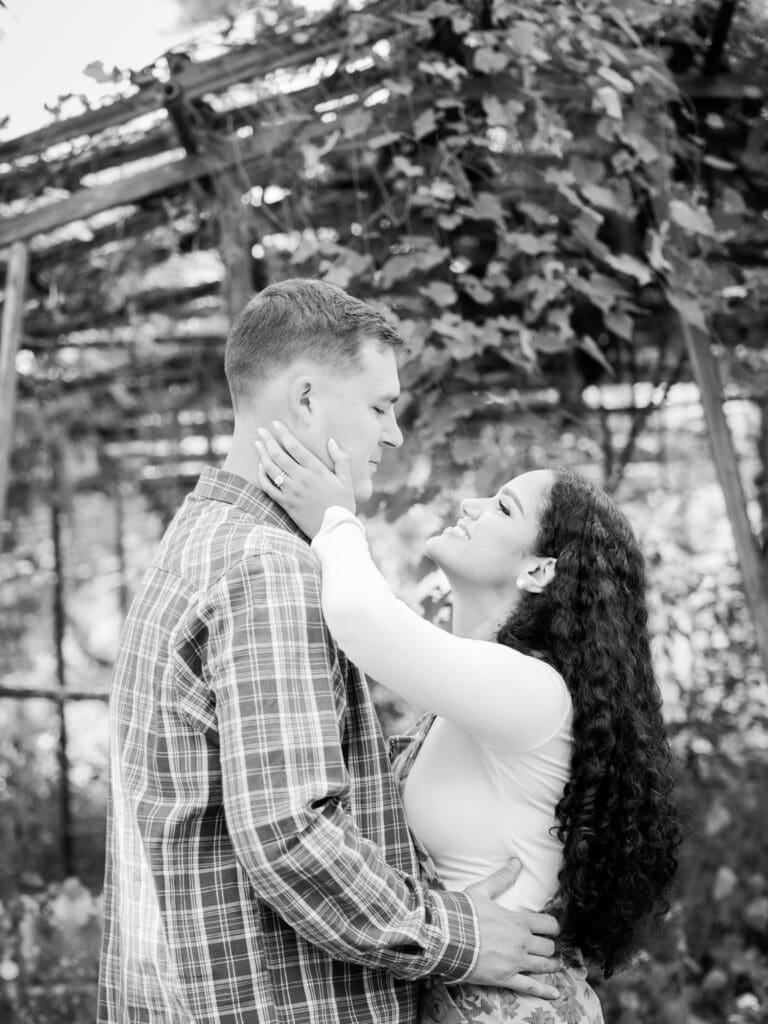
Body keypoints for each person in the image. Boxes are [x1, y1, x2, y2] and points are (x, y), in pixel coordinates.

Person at [97, 278, 565, 1024]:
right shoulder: (269, 569)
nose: (395, 434)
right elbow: (291, 836)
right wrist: (458, 936)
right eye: (381, 406)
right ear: (308, 400)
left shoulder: (198, 538)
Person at [252, 422, 683, 1024]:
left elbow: (360, 615)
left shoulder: (532, 692)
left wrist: (336, 517)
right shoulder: (480, 696)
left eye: (502, 506)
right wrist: (448, 919)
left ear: (538, 571)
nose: (469, 505)